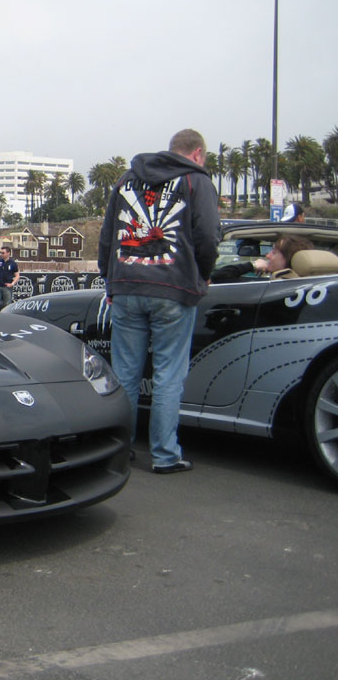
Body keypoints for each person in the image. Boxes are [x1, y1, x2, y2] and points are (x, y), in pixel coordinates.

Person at [98, 128, 220, 474]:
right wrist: (205, 274)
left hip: (125, 286)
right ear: (197, 153)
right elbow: (208, 236)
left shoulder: (126, 180)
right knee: (168, 375)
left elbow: (108, 235)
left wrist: (109, 279)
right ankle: (165, 455)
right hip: (173, 289)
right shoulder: (196, 181)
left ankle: (119, 450)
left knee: (124, 373)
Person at [210, 235, 312, 283]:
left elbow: (218, 277)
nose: (268, 256)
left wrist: (252, 265)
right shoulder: (310, 285)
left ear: (290, 258)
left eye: (274, 252)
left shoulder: (274, 286)